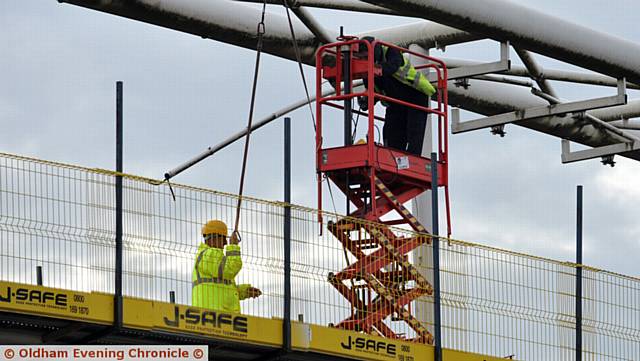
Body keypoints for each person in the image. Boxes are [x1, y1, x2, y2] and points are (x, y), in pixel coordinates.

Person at [357, 36, 437, 156]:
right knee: (391, 134)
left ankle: (412, 162)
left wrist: (376, 69)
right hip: (395, 103)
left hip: (415, 96)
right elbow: (375, 92)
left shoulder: (390, 51)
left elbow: (393, 66)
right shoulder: (367, 71)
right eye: (361, 58)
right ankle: (394, 161)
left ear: (374, 51)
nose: (364, 60)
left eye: (366, 56)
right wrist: (366, 101)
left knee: (414, 134)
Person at [192, 220, 261, 312]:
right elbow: (230, 269)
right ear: (214, 237)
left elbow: (222, 288)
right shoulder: (208, 255)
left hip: (219, 316)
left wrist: (244, 291)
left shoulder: (211, 257)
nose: (225, 243)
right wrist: (233, 246)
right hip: (213, 316)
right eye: (224, 238)